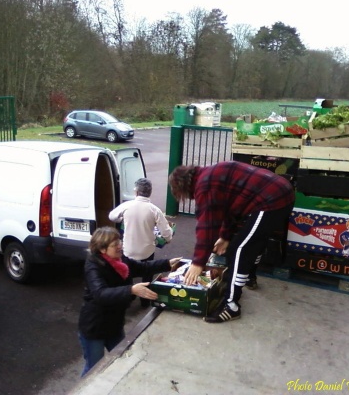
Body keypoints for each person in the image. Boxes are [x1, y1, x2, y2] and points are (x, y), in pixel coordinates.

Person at [168, 161, 295, 323]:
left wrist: (198, 262)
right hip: (282, 192)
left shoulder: (205, 187)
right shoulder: (208, 175)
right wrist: (225, 236)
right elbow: (229, 209)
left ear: (183, 186)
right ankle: (248, 277)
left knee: (239, 249)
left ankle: (231, 305)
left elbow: (206, 228)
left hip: (272, 200)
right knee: (254, 241)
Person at [78, 226, 181, 376]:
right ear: (102, 249)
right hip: (95, 326)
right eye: (115, 245)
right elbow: (100, 293)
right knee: (93, 369)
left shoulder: (120, 260)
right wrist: (131, 290)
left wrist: (167, 264)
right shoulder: (93, 266)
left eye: (119, 241)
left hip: (114, 323)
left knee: (122, 359)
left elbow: (142, 267)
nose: (120, 246)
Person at [108, 178, 173, 307]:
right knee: (147, 273)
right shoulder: (155, 210)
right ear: (150, 192)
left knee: (127, 273)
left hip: (128, 250)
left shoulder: (127, 206)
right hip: (146, 251)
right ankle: (145, 300)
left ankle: (130, 295)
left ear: (136, 191)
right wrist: (168, 238)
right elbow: (166, 232)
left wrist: (123, 218)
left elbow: (112, 216)